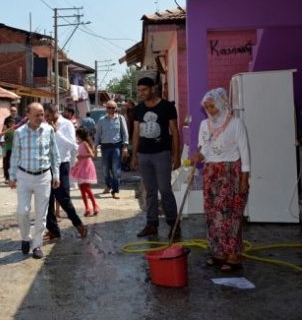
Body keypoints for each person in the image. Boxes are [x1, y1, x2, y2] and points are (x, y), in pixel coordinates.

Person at [192, 88, 250, 272]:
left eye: (212, 106)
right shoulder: (204, 125)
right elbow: (203, 148)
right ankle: (219, 252)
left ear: (222, 104)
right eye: (207, 107)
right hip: (211, 172)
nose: (210, 110)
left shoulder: (236, 123)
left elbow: (245, 152)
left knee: (231, 214)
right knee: (213, 213)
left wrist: (244, 178)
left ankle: (234, 255)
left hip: (231, 172)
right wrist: (199, 155)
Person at [9, 103, 61, 259]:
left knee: (41, 214)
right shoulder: (19, 133)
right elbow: (15, 156)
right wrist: (12, 176)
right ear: (28, 115)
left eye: (42, 114)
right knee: (22, 211)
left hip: (43, 177)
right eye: (37, 115)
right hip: (24, 176)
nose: (40, 117)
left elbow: (54, 154)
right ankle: (26, 237)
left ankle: (37, 245)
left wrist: (56, 175)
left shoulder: (49, 130)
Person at [132, 77, 181, 239]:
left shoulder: (167, 107)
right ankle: (152, 224)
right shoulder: (138, 109)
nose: (141, 93)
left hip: (162, 154)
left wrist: (176, 156)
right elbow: (136, 133)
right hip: (143, 155)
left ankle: (174, 225)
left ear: (153, 89)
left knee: (165, 190)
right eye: (139, 90)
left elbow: (175, 132)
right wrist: (134, 155)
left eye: (144, 90)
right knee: (150, 191)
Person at [43, 103, 87, 241]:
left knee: (63, 198)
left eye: (48, 115)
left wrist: (57, 132)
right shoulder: (44, 126)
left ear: (55, 112)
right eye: (44, 116)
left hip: (62, 165)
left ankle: (78, 224)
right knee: (46, 199)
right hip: (46, 166)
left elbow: (73, 146)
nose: (46, 118)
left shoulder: (67, 124)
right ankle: (53, 230)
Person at [94, 100, 129, 199]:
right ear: (106, 108)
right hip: (105, 147)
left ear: (116, 108)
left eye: (113, 108)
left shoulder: (120, 119)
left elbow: (125, 133)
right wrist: (95, 147)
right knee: (105, 169)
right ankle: (108, 185)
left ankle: (115, 190)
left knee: (116, 169)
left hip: (116, 146)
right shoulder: (101, 120)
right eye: (109, 107)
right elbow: (98, 134)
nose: (111, 109)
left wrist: (125, 147)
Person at [71, 127, 100, 217]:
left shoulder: (84, 143)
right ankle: (87, 208)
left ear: (80, 135)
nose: (76, 136)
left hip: (86, 166)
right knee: (82, 189)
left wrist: (81, 156)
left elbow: (91, 154)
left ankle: (95, 205)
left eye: (77, 135)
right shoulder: (80, 144)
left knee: (86, 187)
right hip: (81, 166)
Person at [1, 116, 16, 183]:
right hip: (7, 149)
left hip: (14, 149)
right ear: (8, 123)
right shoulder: (6, 130)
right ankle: (7, 177)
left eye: (13, 123)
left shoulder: (16, 130)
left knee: (14, 163)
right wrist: (10, 139)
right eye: (10, 123)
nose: (12, 124)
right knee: (7, 163)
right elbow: (4, 139)